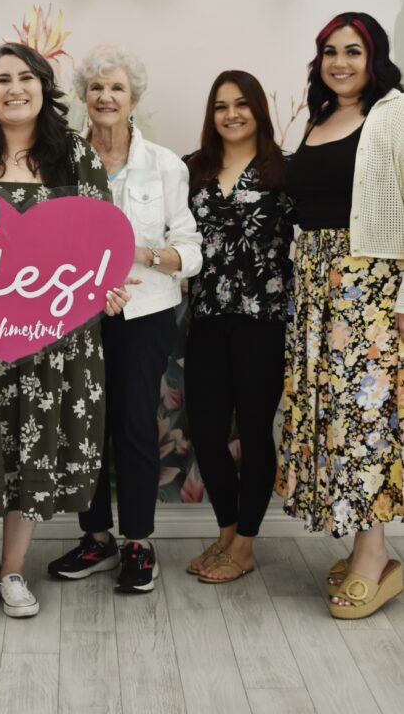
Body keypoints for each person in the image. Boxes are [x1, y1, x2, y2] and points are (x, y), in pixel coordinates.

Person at [0, 42, 131, 618]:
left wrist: (105, 287)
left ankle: (15, 571)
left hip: (51, 341)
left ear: (43, 88)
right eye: (1, 79)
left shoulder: (75, 158)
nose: (15, 88)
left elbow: (97, 247)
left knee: (34, 444)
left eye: (26, 78)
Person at [48, 45, 202, 593]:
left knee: (135, 425)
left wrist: (143, 253)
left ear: (133, 98)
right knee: (83, 427)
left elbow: (191, 248)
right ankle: (97, 539)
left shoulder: (164, 165)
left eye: (116, 88)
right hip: (77, 316)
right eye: (96, 88)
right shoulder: (61, 163)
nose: (105, 97)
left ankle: (138, 541)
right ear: (83, 98)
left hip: (145, 313)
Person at [278, 12, 404, 620]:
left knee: (364, 424)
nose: (340, 62)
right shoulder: (321, 117)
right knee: (330, 417)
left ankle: (376, 554)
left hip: (369, 293)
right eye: (330, 51)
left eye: (353, 51)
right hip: (315, 289)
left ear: (374, 57)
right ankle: (362, 542)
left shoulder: (394, 116)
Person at [184, 71, 294, 582]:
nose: (231, 114)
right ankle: (227, 532)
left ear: (258, 110)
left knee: (253, 431)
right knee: (206, 431)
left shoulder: (284, 170)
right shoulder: (192, 170)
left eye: (242, 104)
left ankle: (245, 544)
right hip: (206, 317)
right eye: (221, 106)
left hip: (263, 320)